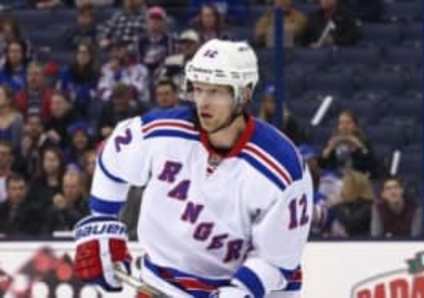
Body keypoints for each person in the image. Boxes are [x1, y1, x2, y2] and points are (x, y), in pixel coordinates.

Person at [74, 39, 312, 298]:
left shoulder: (283, 169)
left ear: (244, 94)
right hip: (160, 283)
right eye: (198, 89)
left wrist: (239, 291)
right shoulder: (160, 133)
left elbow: (277, 259)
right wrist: (103, 220)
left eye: (216, 91)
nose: (203, 102)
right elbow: (112, 159)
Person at [319, 110, 378, 178]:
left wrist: (358, 146)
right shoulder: (332, 141)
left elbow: (371, 165)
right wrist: (330, 148)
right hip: (336, 179)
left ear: (355, 126)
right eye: (341, 123)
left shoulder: (363, 141)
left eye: (348, 123)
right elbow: (321, 165)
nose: (344, 126)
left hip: (357, 179)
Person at [136, 6, 175, 74]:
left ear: (164, 22)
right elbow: (139, 61)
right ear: (147, 22)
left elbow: (170, 59)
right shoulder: (141, 40)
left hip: (163, 71)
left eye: (158, 19)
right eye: (152, 19)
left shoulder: (169, 39)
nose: (155, 22)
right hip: (144, 71)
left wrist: (161, 68)